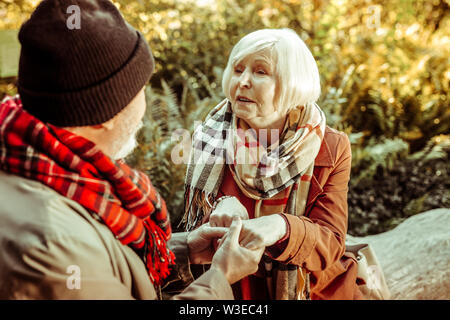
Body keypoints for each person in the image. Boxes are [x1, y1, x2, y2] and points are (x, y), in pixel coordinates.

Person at [0, 0, 263, 300]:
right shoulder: (53, 246)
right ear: (106, 112)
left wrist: (182, 249)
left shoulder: (42, 164)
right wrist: (220, 277)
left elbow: (100, 265)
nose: (145, 105)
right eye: (139, 89)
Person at [182, 28, 363, 300]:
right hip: (231, 290)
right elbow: (197, 233)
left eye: (260, 72)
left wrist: (281, 226)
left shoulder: (331, 146)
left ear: (293, 83)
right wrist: (220, 206)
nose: (242, 81)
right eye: (238, 68)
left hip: (311, 290)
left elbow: (330, 243)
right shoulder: (209, 135)